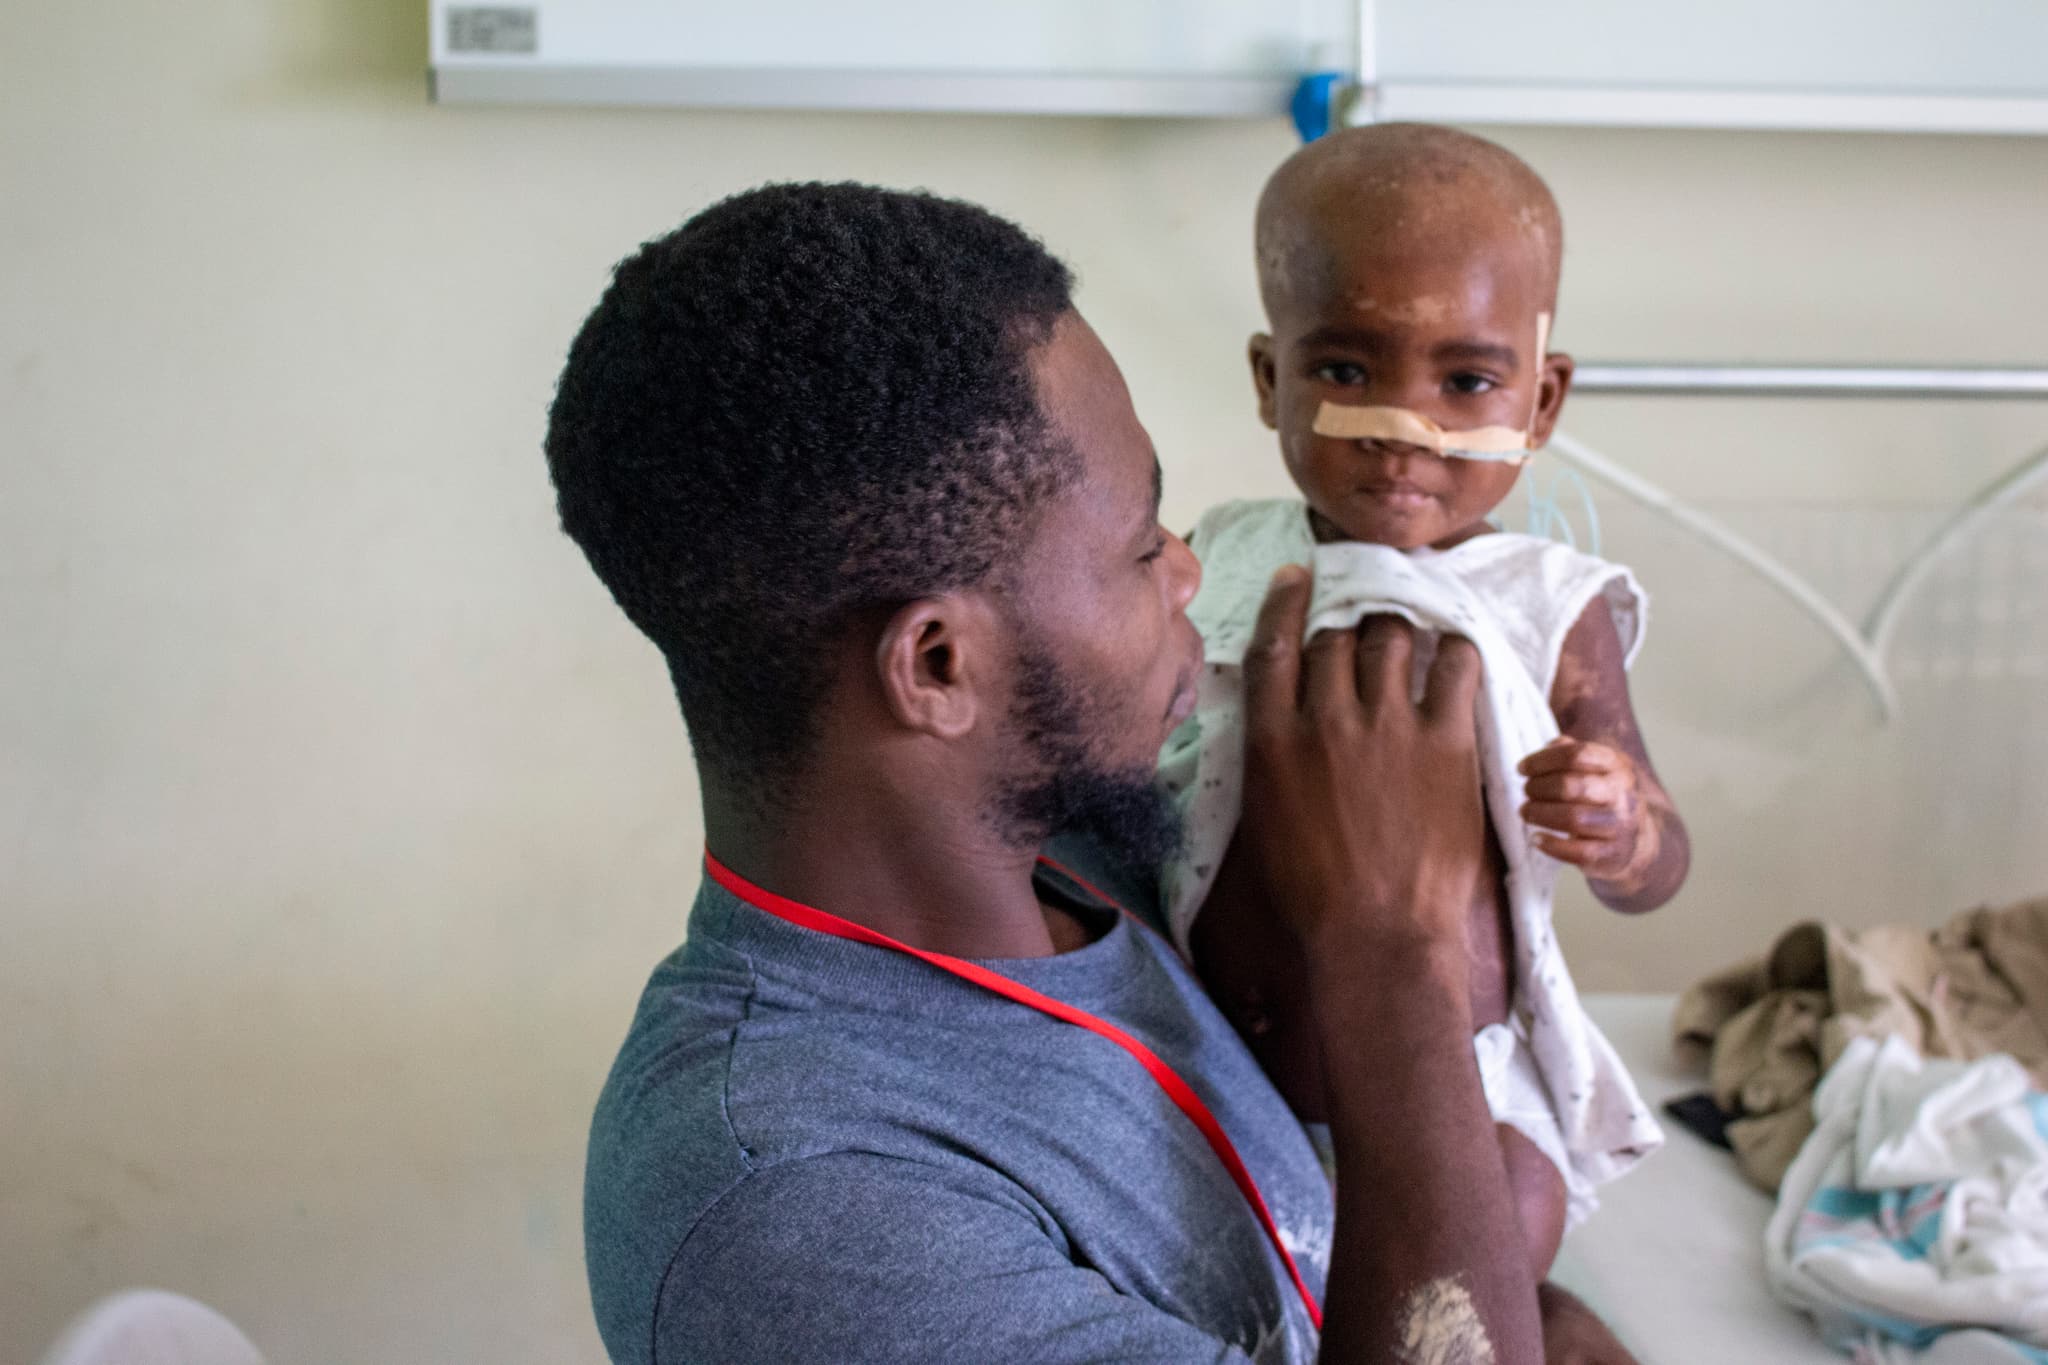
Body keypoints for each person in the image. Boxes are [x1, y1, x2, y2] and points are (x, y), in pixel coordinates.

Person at [548, 181, 1541, 1363]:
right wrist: (1395, 956)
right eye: (1137, 544)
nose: (1185, 571)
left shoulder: (1102, 864)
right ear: (935, 663)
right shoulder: (807, 1217)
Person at [1155, 124, 1691, 1353]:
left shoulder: (1549, 608)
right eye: (1343, 369)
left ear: (1540, 401)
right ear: (1266, 378)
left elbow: (1659, 866)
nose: (1402, 425)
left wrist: (1618, 823)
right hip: (1227, 1075)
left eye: (1464, 383)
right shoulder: (1218, 558)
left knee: (1508, 1230)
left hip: (1465, 1092)